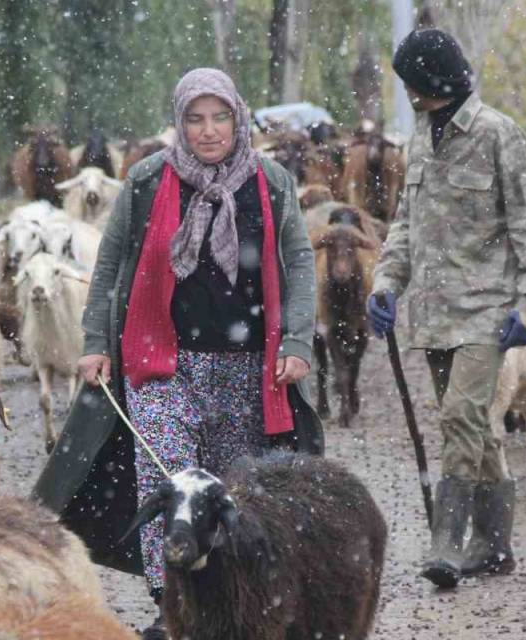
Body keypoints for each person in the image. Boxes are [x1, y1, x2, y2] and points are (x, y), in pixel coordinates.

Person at [32, 68, 322, 640]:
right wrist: (96, 344)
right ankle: (172, 604)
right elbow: (111, 263)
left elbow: (298, 260)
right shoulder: (147, 179)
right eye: (195, 119)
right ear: (180, 122)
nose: (208, 131)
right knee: (163, 478)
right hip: (162, 359)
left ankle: (226, 603)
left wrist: (296, 340)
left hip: (248, 366)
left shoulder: (270, 181)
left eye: (219, 118)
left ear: (238, 119)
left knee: (232, 491)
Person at [367, 29, 526, 589]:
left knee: (459, 419)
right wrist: (386, 283)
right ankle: (496, 547)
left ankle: (446, 545)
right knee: (475, 428)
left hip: (487, 313)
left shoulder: (499, 135)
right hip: (433, 316)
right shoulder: (420, 139)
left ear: (434, 82)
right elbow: (406, 224)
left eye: (413, 84)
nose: (409, 96)